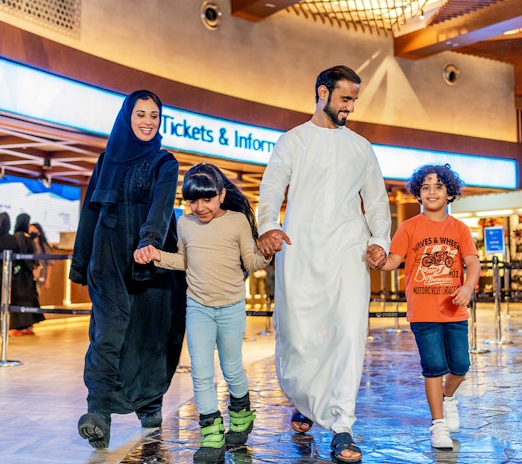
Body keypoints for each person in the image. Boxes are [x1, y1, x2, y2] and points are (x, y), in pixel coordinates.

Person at [256, 65, 391, 463]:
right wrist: (269, 226)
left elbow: (378, 202)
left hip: (349, 250)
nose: (350, 107)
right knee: (299, 335)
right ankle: (306, 398)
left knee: (349, 332)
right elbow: (271, 189)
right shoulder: (292, 141)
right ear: (322, 93)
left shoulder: (361, 147)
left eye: (354, 100)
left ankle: (342, 424)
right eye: (345, 98)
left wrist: (378, 241)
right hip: (301, 249)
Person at [70, 89, 187, 449]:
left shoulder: (164, 162)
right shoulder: (107, 159)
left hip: (150, 260)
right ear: (127, 116)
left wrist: (149, 241)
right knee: (106, 333)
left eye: (154, 116)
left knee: (149, 334)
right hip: (107, 260)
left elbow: (162, 206)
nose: (148, 122)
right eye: (141, 114)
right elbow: (91, 212)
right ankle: (98, 411)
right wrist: (81, 262)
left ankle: (150, 404)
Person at [134, 162, 269, 463]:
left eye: (206, 199)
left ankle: (242, 415)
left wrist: (267, 253)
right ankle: (211, 434)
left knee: (232, 368)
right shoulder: (184, 223)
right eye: (193, 200)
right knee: (201, 371)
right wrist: (155, 255)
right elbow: (184, 261)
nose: (199, 207)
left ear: (221, 195)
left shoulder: (236, 222)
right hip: (198, 307)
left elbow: (250, 263)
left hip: (232, 307)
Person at [370, 163, 480, 450]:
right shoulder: (409, 227)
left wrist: (467, 287)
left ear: (450, 193)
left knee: (460, 366)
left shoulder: (459, 228)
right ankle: (438, 424)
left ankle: (447, 397)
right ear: (418, 193)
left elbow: (472, 263)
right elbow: (394, 260)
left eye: (439, 186)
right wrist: (380, 261)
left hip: (455, 311)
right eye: (426, 187)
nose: (432, 191)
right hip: (422, 312)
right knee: (433, 367)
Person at [10, 213, 45, 336]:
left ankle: (26, 325)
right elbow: (23, 254)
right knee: (21, 299)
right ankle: (18, 327)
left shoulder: (26, 237)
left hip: (27, 274)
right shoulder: (19, 236)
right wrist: (32, 268)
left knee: (29, 298)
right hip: (22, 275)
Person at [28, 222, 53, 294]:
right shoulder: (28, 243)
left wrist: (48, 280)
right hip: (30, 275)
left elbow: (49, 264)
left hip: (41, 275)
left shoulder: (44, 246)